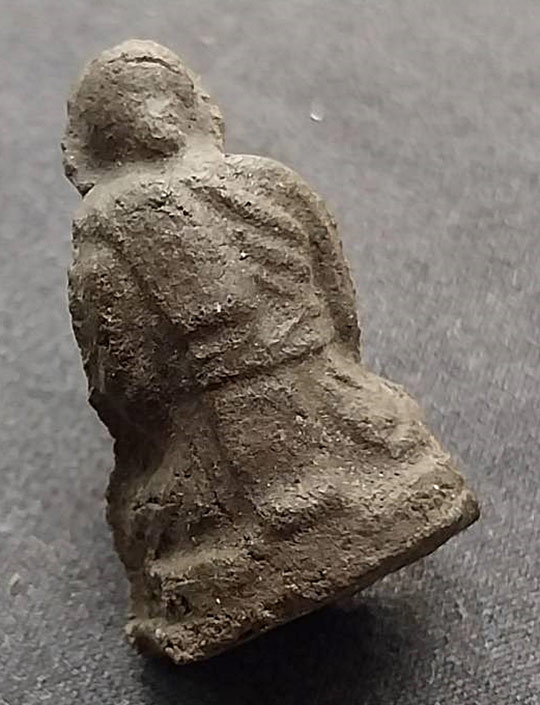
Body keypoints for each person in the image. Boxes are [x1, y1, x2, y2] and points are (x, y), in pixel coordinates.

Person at [64, 40, 478, 663]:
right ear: (197, 108)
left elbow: (127, 383)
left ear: (93, 142)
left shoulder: (105, 227)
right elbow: (339, 307)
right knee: (384, 443)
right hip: (338, 403)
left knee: (178, 521)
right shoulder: (272, 181)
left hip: (214, 438)